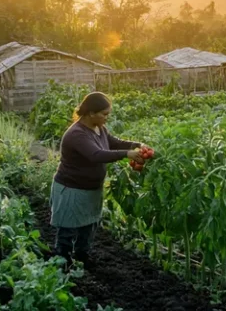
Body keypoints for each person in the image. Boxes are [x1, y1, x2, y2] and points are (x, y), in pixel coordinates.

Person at [50, 91, 151, 268]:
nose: (107, 118)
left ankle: (82, 260)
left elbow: (114, 142)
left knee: (88, 226)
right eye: (104, 114)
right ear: (91, 113)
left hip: (91, 189)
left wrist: (136, 145)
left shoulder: (99, 128)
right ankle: (62, 263)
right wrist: (127, 154)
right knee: (68, 229)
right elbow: (96, 155)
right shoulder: (77, 134)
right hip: (71, 189)